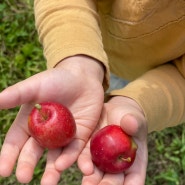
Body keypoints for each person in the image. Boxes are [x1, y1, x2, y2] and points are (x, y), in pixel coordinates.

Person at [0, 0, 185, 185]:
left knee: (122, 83)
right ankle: (106, 76)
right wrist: (78, 61)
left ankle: (121, 86)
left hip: (168, 66)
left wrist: (138, 102)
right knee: (112, 78)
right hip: (101, 46)